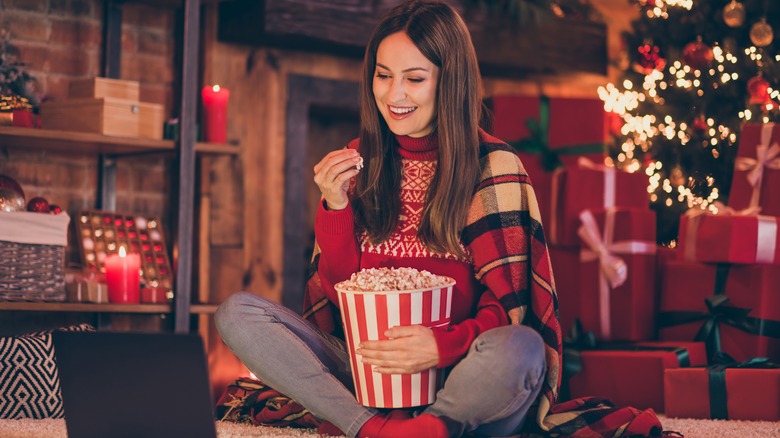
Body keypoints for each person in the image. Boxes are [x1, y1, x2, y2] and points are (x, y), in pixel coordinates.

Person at [217, 2, 660, 437]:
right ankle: (371, 429)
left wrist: (438, 346)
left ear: (449, 82)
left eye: (415, 78)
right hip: (368, 375)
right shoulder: (361, 158)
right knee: (238, 313)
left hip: (463, 377)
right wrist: (335, 207)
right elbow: (341, 298)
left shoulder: (493, 165)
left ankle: (434, 426)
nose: (394, 95)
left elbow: (508, 309)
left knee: (520, 348)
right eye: (383, 75)